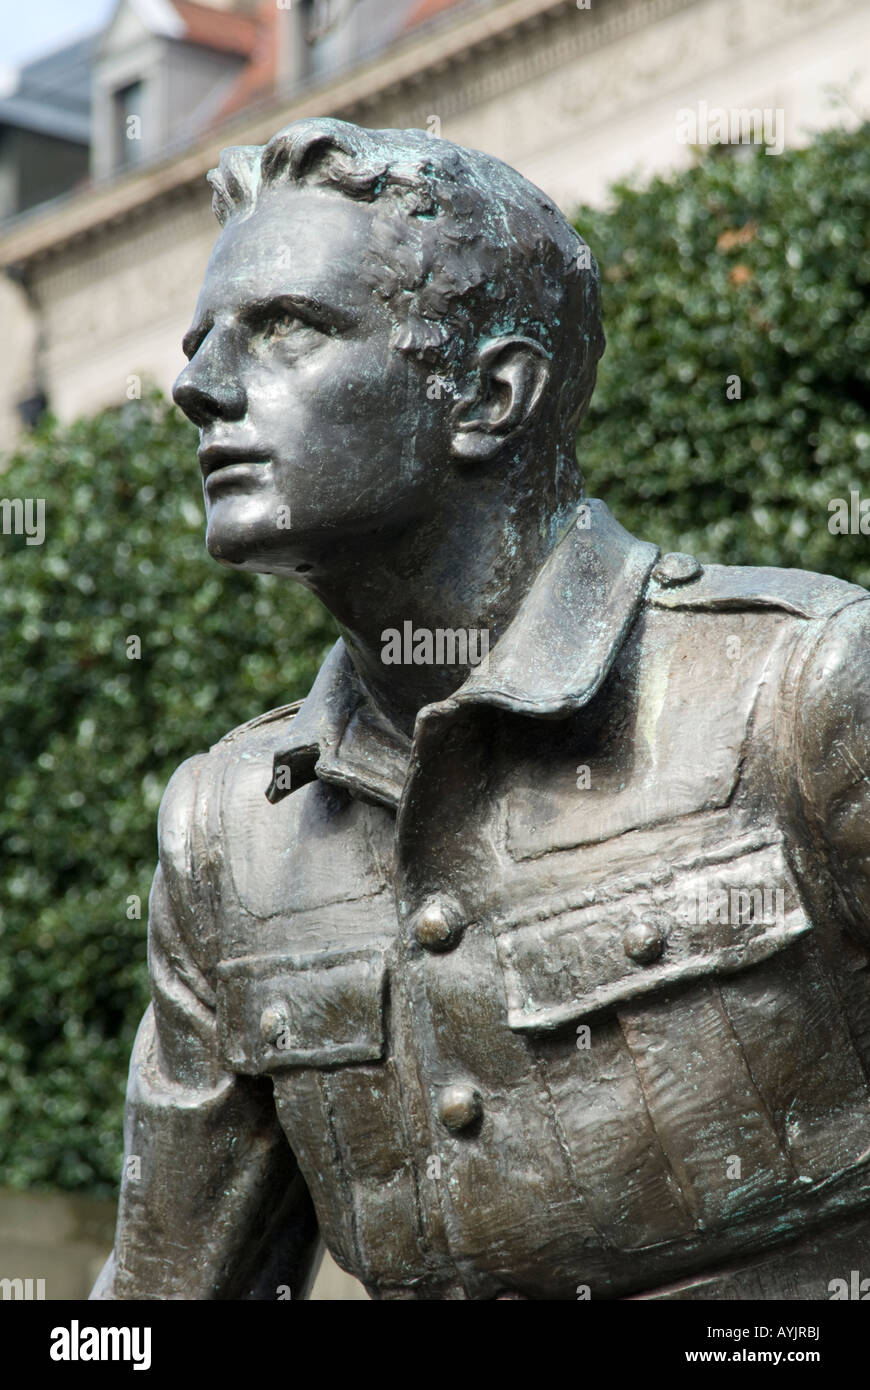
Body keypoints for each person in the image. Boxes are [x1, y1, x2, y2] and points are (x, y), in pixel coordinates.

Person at [93, 118, 870, 1300]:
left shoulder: (802, 692)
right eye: (202, 342)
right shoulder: (228, 833)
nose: (198, 388)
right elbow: (154, 1310)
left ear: (489, 396)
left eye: (286, 329)